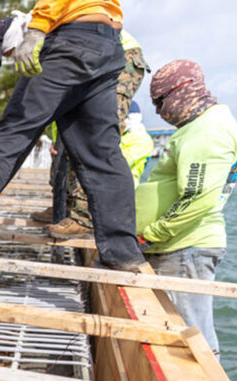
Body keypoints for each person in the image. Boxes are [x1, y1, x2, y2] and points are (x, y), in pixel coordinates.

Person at [0, 0, 146, 271]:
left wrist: (37, 29)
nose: (14, 61)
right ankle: (122, 252)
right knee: (102, 154)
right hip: (108, 47)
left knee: (7, 140)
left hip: (70, 39)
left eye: (11, 53)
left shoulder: (38, 32)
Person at [136, 60, 237, 356]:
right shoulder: (198, 126)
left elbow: (197, 197)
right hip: (178, 246)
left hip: (184, 248)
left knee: (191, 338)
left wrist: (154, 233)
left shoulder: (207, 131)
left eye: (160, 101)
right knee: (180, 334)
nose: (158, 111)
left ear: (181, 92)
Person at [44, 29, 152, 238]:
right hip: (93, 60)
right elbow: (62, 104)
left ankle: (84, 217)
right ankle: (66, 210)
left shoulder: (42, 37)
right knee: (74, 134)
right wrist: (59, 138)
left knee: (95, 136)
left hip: (119, 58)